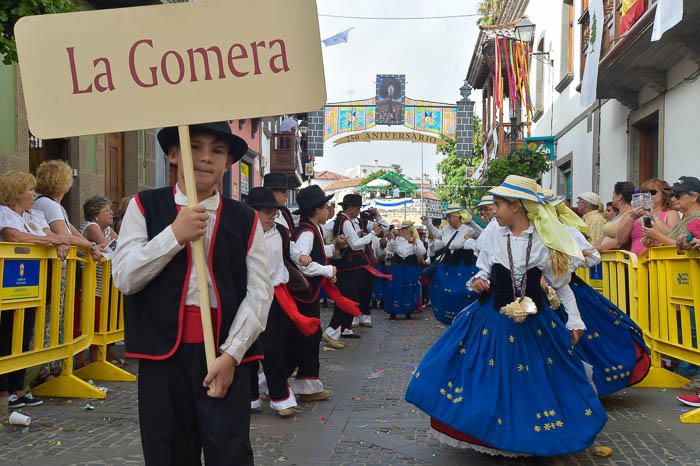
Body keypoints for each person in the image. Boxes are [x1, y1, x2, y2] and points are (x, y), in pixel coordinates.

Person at [405, 175, 606, 457]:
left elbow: (562, 287)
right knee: (486, 375)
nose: (493, 210)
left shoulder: (544, 239)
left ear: (517, 207)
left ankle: (534, 436)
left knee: (538, 380)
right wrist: (477, 281)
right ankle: (493, 434)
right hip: (492, 317)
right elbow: (483, 269)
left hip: (535, 322)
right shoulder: (492, 233)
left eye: (497, 205)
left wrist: (575, 319)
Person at [112, 122, 273, 465]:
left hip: (225, 354)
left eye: (216, 150)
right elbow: (125, 277)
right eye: (194, 147)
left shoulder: (244, 218)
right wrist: (175, 234)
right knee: (167, 453)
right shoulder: (145, 207)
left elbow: (260, 292)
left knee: (229, 453)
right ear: (173, 154)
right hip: (163, 358)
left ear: (228, 161)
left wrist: (231, 355)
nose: (204, 158)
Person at [546, 196, 651, 396]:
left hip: (570, 291)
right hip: (538, 294)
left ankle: (581, 387)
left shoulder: (569, 232)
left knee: (583, 338)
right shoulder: (527, 234)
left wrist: (574, 258)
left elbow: (593, 258)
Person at [245, 187, 319, 417]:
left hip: (276, 296)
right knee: (247, 348)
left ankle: (280, 398)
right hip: (247, 295)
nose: (272, 216)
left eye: (274, 212)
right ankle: (249, 397)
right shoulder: (242, 232)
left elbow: (292, 251)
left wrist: (302, 258)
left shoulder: (281, 232)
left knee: (274, 348)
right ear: (253, 212)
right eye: (268, 212)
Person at [0, 171, 70, 414]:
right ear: (16, 191)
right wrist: (50, 241)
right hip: (9, 282)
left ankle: (18, 388)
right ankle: (4, 390)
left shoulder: (35, 214)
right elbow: (12, 235)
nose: (33, 194)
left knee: (25, 334)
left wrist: (59, 241)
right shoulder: (4, 213)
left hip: (32, 283)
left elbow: (53, 234)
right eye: (30, 190)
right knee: (7, 335)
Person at [290, 185, 351, 397]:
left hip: (308, 295)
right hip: (303, 296)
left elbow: (316, 251)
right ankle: (302, 386)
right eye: (326, 206)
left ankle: (303, 384)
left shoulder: (311, 229)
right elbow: (302, 263)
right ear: (316, 210)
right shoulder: (307, 232)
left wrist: (335, 248)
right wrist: (327, 269)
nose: (329, 210)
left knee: (309, 338)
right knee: (307, 338)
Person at [324, 194, 384, 345]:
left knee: (349, 299)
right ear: (351, 208)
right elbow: (355, 244)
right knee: (347, 299)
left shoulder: (344, 221)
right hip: (347, 267)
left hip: (348, 266)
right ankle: (333, 330)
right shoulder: (345, 222)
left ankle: (338, 330)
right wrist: (372, 234)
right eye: (357, 208)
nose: (358, 211)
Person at [33, 160, 103, 259]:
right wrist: (91, 247)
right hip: (55, 263)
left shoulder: (44, 202)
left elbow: (69, 229)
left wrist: (92, 245)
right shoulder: (49, 205)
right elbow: (66, 236)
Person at [422, 206, 479, 325]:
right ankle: (449, 313)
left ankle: (466, 315)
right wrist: (427, 223)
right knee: (445, 289)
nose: (447, 219)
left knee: (463, 290)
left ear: (457, 216)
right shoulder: (446, 228)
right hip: (449, 262)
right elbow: (438, 235)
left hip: (465, 262)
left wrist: (472, 223)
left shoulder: (467, 229)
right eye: (447, 216)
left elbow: (482, 234)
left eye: (450, 216)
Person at [616, 179, 681, 256]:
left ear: (664, 195)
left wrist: (653, 215)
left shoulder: (670, 213)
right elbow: (620, 240)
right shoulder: (632, 214)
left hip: (658, 261)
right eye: (644, 193)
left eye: (652, 192)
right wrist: (631, 218)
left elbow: (672, 236)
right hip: (635, 262)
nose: (648, 196)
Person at [383, 222, 425, 319]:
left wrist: (415, 242)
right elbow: (389, 250)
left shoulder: (416, 240)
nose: (404, 231)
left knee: (409, 287)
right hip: (398, 267)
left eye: (406, 229)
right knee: (395, 287)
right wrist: (393, 239)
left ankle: (408, 311)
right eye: (403, 229)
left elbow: (422, 252)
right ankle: (393, 311)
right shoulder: (396, 240)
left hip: (410, 268)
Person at [642, 177, 700, 248]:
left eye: (677, 195)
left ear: (694, 196)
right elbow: (674, 240)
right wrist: (654, 242)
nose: (672, 199)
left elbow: (686, 245)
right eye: (672, 195)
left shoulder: (698, 217)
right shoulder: (686, 218)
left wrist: (657, 236)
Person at [596, 181, 635, 252]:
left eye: (613, 193)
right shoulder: (618, 214)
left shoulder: (629, 214)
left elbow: (619, 242)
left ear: (619, 196)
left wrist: (597, 250)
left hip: (615, 259)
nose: (612, 197)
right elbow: (605, 236)